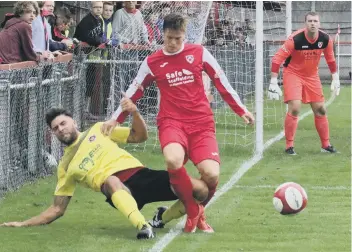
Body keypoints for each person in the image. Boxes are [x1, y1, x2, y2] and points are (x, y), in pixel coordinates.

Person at [101, 14, 255, 233]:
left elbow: (222, 81)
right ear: (162, 34)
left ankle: (193, 214)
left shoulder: (199, 53)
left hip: (201, 123)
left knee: (211, 175)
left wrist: (241, 110)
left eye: (178, 38)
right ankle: (193, 212)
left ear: (185, 36)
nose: (173, 43)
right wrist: (115, 119)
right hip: (172, 122)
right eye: (169, 37)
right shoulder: (152, 61)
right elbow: (134, 93)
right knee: (173, 160)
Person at [0, 97, 209, 239]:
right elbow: (57, 209)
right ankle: (142, 227)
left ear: (72, 121)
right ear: (53, 134)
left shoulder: (99, 129)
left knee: (200, 190)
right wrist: (23, 224)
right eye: (55, 128)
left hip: (141, 174)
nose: (60, 129)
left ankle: (160, 218)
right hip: (118, 189)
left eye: (63, 123)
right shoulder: (65, 166)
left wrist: (135, 112)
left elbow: (139, 136)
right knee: (109, 179)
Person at [268, 12, 340, 155]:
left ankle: (326, 145)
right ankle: (289, 147)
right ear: (305, 23)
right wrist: (273, 81)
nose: (313, 23)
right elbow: (277, 59)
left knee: (320, 109)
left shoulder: (325, 39)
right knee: (295, 107)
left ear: (319, 24)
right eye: (310, 21)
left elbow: (330, 59)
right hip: (293, 74)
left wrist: (335, 78)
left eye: (315, 21)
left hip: (312, 75)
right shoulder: (295, 39)